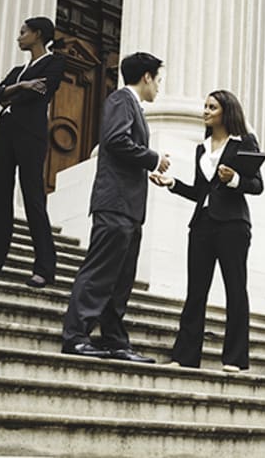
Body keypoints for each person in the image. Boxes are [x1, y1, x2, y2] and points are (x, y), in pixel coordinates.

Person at [61, 52, 170, 363]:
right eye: (158, 79)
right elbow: (116, 141)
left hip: (130, 207)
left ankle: (114, 340)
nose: (159, 87)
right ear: (147, 77)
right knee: (99, 272)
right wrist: (153, 158)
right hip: (115, 203)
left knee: (121, 279)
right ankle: (76, 336)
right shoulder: (122, 100)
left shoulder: (132, 106)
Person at [150, 90, 264, 372]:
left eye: (212, 107)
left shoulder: (244, 142)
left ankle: (235, 359)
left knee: (235, 290)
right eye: (205, 106)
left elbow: (257, 185)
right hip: (201, 224)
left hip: (233, 225)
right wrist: (171, 183)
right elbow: (200, 191)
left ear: (226, 111)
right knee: (196, 291)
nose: (205, 111)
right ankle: (185, 357)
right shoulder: (201, 148)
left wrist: (235, 178)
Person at [0, 16, 65, 288]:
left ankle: (45, 268)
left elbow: (42, 92)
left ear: (38, 34)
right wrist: (20, 87)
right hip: (4, 133)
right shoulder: (17, 70)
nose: (19, 36)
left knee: (33, 198)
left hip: (30, 135)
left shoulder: (55, 63)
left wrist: (10, 95)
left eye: (23, 32)